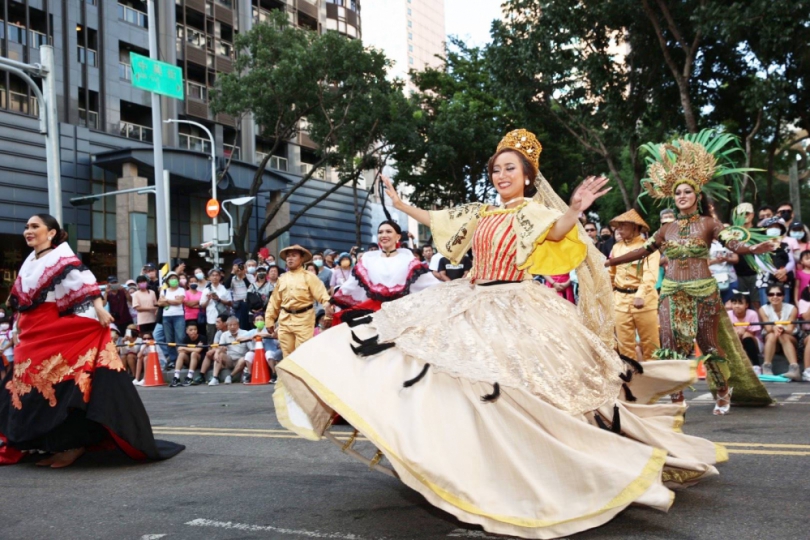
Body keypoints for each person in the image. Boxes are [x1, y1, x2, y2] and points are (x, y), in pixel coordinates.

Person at [273, 129, 726, 539]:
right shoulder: (482, 212)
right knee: (427, 368)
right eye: (496, 169)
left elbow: (557, 232)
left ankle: (554, 468)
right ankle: (468, 463)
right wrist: (400, 203)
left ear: (528, 177)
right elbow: (438, 219)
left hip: (516, 307)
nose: (501, 175)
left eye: (510, 168)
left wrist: (574, 208)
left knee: (519, 395)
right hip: (471, 299)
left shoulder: (533, 212)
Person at [605, 130, 773, 414]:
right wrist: (610, 262)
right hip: (671, 292)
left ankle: (723, 391)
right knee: (671, 345)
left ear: (697, 195)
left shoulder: (709, 223)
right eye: (678, 193)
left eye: (687, 191)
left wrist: (754, 249)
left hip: (703, 291)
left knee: (708, 343)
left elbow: (732, 244)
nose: (682, 196)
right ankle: (676, 398)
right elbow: (643, 251)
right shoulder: (666, 229)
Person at [0, 214, 183, 467]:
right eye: (26, 227)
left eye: (34, 226)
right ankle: (39, 443)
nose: (28, 231)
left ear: (51, 233)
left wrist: (99, 309)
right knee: (25, 387)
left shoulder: (62, 257)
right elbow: (22, 300)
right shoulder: (30, 260)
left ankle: (72, 445)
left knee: (64, 386)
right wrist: (18, 325)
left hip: (55, 330)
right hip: (32, 334)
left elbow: (87, 284)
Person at [330, 221, 441, 324]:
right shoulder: (368, 259)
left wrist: (449, 290)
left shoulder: (408, 259)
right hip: (375, 314)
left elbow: (428, 283)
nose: (384, 235)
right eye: (380, 232)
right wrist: (332, 301)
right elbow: (351, 284)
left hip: (403, 314)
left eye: (388, 231)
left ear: (398, 237)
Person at [608, 209, 661, 361]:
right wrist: (606, 294)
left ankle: (653, 374)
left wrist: (640, 294)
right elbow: (612, 273)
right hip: (620, 300)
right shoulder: (616, 247)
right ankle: (631, 374)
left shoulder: (649, 248)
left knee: (650, 343)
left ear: (635, 227)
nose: (619, 229)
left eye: (623, 225)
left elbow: (650, 274)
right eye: (618, 226)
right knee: (624, 344)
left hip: (644, 300)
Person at [264, 245, 333, 359]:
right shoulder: (282, 279)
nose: (290, 258)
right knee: (287, 356)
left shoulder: (309, 277)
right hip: (285, 320)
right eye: (288, 256)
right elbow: (274, 301)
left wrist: (328, 314)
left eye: (294, 255)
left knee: (302, 355)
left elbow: (324, 297)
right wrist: (269, 319)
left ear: (301, 259)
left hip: (304, 320)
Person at [759, 284, 800, 380]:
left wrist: (782, 330)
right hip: (772, 338)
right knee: (772, 335)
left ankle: (794, 369)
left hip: (790, 338)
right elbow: (768, 328)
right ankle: (766, 367)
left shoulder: (792, 308)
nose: (775, 297)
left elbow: (790, 329)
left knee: (783, 336)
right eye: (771, 294)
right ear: (767, 296)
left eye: (778, 294)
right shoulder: (763, 309)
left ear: (783, 296)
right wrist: (774, 328)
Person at [756, 217, 796, 307]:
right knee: (766, 309)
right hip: (765, 281)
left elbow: (791, 261)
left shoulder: (785, 245)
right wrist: (775, 272)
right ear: (765, 230)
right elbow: (759, 262)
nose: (774, 229)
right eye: (770, 227)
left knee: (785, 308)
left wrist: (784, 271)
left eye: (776, 227)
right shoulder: (760, 245)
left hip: (784, 279)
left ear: (781, 230)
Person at [731, 203, 761, 309]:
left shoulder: (760, 231)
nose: (744, 216)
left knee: (756, 302)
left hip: (757, 273)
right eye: (741, 214)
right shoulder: (733, 233)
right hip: (738, 274)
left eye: (746, 213)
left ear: (752, 215)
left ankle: (758, 321)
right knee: (740, 303)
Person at [209, 316, 253, 385]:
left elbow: (251, 349)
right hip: (229, 359)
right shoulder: (224, 335)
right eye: (230, 325)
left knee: (243, 359)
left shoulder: (245, 333)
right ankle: (215, 378)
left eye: (234, 325)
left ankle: (230, 376)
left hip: (240, 359)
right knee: (219, 355)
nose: (232, 327)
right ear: (227, 326)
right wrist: (217, 353)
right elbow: (221, 347)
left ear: (238, 325)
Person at [157, 271, 186, 371]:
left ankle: (181, 359)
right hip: (166, 316)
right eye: (171, 278)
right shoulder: (164, 291)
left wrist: (167, 300)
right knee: (169, 339)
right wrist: (172, 301)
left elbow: (179, 302)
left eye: (175, 278)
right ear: (168, 281)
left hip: (179, 316)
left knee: (180, 338)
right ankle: (173, 360)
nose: (173, 280)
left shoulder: (181, 290)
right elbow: (160, 303)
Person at [727, 292, 762, 369]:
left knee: (746, 336)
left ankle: (756, 365)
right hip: (736, 338)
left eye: (740, 303)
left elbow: (753, 333)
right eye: (734, 303)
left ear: (747, 305)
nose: (737, 306)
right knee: (733, 336)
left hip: (754, 341)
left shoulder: (752, 314)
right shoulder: (728, 314)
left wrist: (744, 331)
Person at [200, 268, 232, 344]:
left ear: (220, 277)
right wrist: (208, 299)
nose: (215, 277)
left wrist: (219, 299)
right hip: (211, 318)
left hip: (224, 319)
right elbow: (202, 305)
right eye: (212, 275)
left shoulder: (224, 289)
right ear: (209, 277)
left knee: (226, 339)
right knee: (211, 340)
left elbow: (230, 303)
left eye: (217, 275)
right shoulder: (206, 290)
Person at [198, 314, 229, 383]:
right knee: (209, 354)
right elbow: (215, 346)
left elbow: (225, 348)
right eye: (216, 322)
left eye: (218, 322)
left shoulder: (230, 332)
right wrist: (213, 351)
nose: (216, 324)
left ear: (225, 323)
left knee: (217, 353)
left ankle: (215, 376)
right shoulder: (218, 333)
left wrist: (215, 350)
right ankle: (201, 375)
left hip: (228, 355)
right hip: (219, 352)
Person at [708, 238, 739, 304]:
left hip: (730, 279)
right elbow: (700, 263)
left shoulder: (727, 240)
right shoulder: (705, 242)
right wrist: (715, 261)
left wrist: (726, 259)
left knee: (730, 304)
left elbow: (736, 259)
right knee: (714, 304)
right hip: (712, 280)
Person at [225, 259, 251, 330]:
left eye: (241, 266)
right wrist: (232, 273)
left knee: (248, 324)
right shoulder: (233, 278)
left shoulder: (250, 276)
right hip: (238, 304)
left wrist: (243, 277)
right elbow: (226, 286)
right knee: (240, 324)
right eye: (237, 266)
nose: (239, 268)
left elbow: (250, 287)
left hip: (248, 303)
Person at [184, 275, 204, 340]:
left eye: (195, 281)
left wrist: (192, 305)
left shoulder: (201, 293)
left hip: (200, 317)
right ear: (188, 284)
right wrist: (199, 301)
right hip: (189, 318)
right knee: (190, 335)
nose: (193, 283)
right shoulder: (185, 293)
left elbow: (203, 305)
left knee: (201, 334)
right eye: (191, 282)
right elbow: (188, 304)